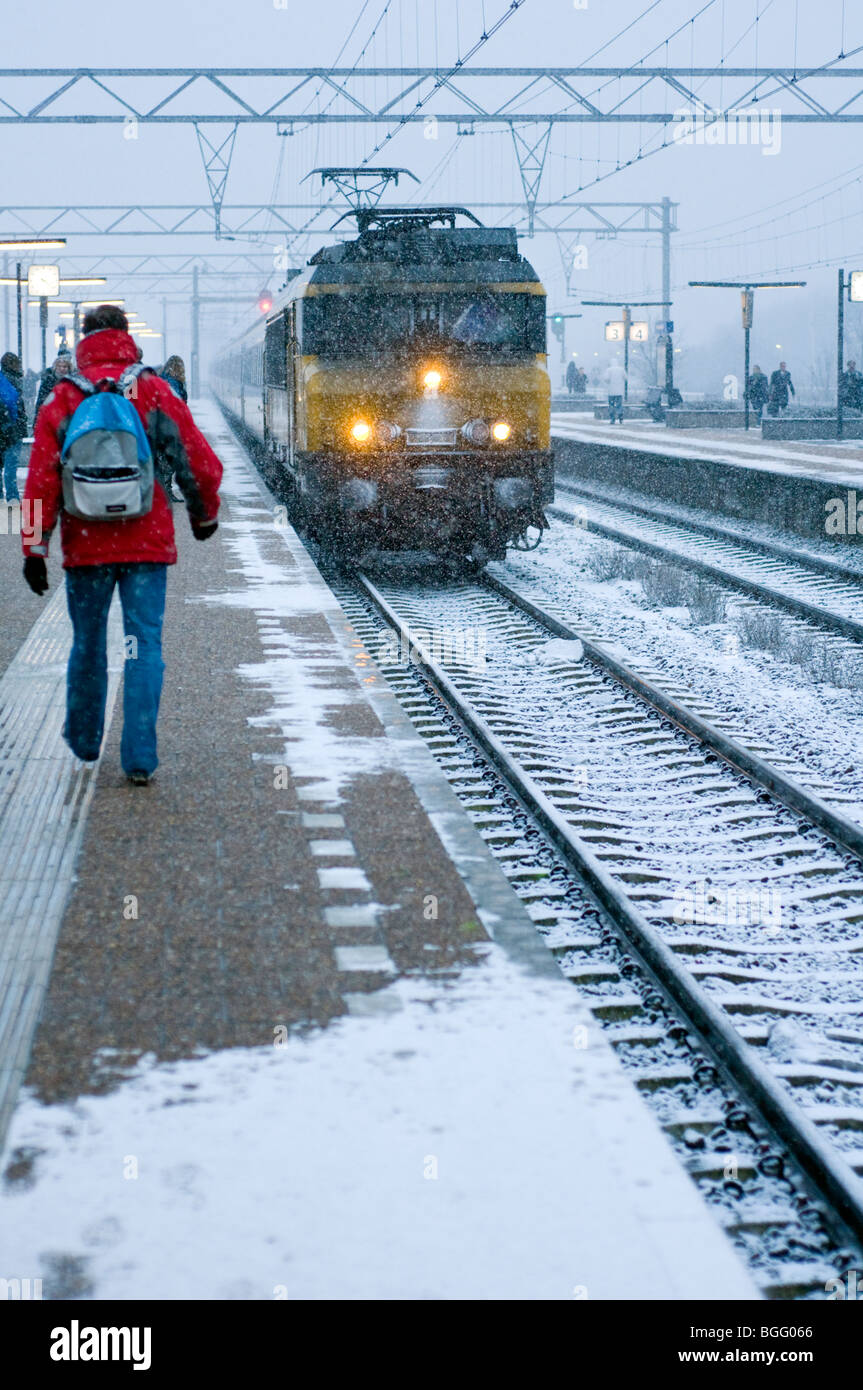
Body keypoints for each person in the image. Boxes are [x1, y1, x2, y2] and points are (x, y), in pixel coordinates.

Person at [21, 305, 223, 786]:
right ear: (126, 337)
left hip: (86, 543)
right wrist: (203, 513)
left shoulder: (64, 398)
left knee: (88, 644)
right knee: (141, 646)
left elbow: (38, 483)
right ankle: (139, 758)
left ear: (86, 339)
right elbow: (198, 459)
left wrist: (34, 547)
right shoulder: (153, 390)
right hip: (145, 543)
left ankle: (87, 741)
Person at [0, 352, 28, 503]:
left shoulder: (6, 379)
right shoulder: (13, 380)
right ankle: (12, 501)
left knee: (7, 469)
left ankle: (4, 501)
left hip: (6, 430)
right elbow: (13, 404)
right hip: (12, 430)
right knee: (11, 469)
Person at [34, 348, 73, 416]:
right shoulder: (48, 381)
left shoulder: (74, 381)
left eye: (64, 366)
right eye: (59, 366)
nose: (62, 369)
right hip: (52, 416)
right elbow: (41, 404)